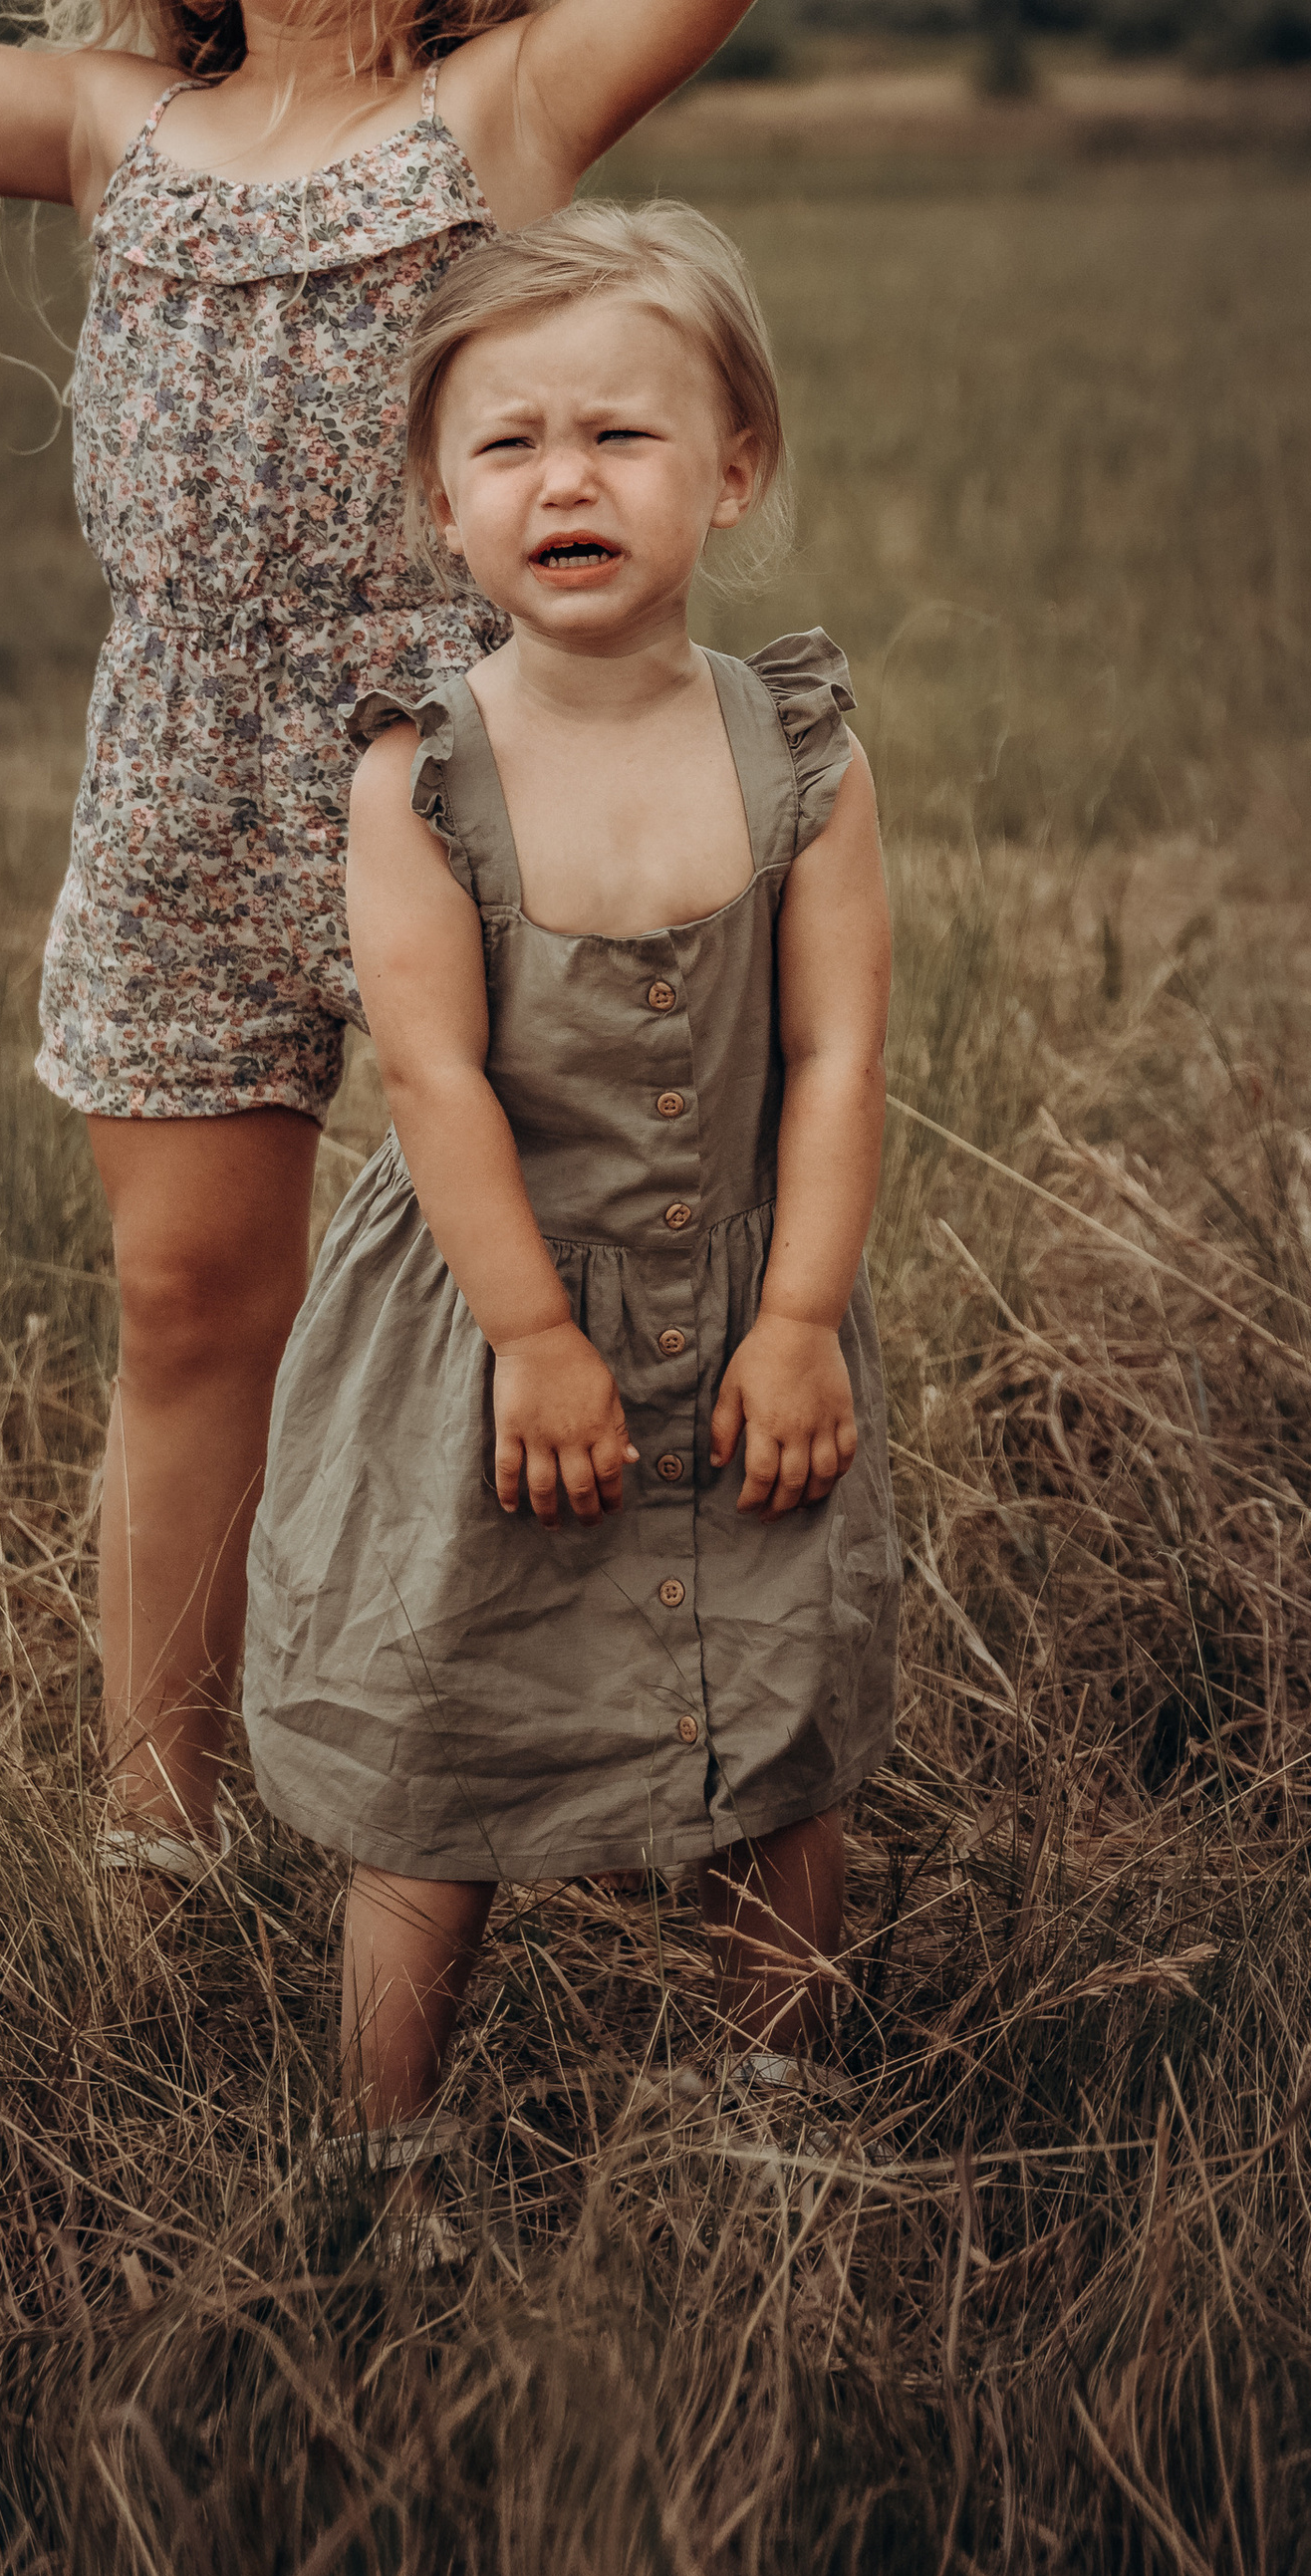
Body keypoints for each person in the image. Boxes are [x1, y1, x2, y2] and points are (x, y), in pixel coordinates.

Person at [0, 0, 799, 1873]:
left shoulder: (498, 110)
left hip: (454, 774)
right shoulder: (113, 122)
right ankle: (165, 1810)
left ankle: (611, 1764)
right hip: (180, 777)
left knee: (563, 1284)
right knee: (184, 1291)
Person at [241, 202, 898, 2146]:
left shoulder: (799, 754)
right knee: (440, 1721)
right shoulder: (418, 778)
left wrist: (796, 1323)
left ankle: (752, 2100)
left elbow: (837, 1050)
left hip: (752, 1312)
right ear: (440, 501)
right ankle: (382, 2143)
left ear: (731, 467)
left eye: (619, 433)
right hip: (492, 1323)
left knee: (777, 1712)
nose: (565, 479)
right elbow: (430, 1074)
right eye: (508, 443)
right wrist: (530, 1335)